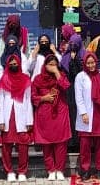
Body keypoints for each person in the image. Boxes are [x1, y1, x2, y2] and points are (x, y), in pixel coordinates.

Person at [31, 54, 71, 182]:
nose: (53, 67)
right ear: (45, 65)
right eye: (50, 64)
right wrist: (44, 98)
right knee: (46, 144)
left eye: (55, 64)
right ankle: (51, 170)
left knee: (60, 143)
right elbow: (33, 97)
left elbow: (65, 86)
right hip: (44, 114)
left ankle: (60, 170)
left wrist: (56, 72)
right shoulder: (38, 79)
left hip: (60, 112)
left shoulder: (61, 75)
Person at [73, 53, 100, 180]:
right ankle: (85, 169)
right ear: (85, 64)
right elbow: (78, 96)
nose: (91, 65)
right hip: (87, 115)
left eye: (92, 62)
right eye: (88, 63)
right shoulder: (80, 76)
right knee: (85, 145)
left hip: (99, 114)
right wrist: (83, 113)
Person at [0, 53, 33, 182]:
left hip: (22, 115)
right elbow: (1, 100)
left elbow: (28, 100)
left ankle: (22, 171)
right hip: (7, 116)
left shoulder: (25, 79)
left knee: (23, 146)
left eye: (15, 63)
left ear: (19, 64)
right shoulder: (4, 79)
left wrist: (29, 120)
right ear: (7, 65)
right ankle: (9, 171)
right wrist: (0, 120)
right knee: (6, 146)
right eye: (11, 64)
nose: (13, 65)